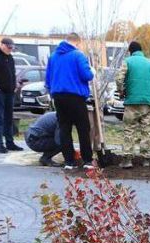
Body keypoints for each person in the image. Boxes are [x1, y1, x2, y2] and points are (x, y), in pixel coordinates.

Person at [45, 33, 95, 170]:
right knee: (83, 128)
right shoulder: (78, 55)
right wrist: (92, 71)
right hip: (76, 97)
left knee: (64, 129)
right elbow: (87, 75)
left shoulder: (53, 56)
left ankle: (69, 162)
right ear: (77, 43)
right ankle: (87, 160)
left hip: (58, 97)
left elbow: (48, 80)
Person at [115, 41, 150, 168]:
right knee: (146, 131)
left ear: (130, 51)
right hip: (147, 102)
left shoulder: (128, 62)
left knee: (129, 130)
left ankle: (127, 159)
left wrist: (122, 91)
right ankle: (146, 159)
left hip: (132, 102)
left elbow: (119, 79)